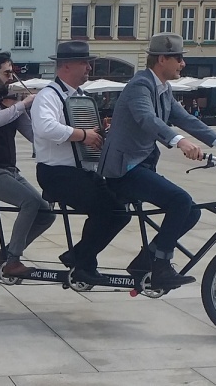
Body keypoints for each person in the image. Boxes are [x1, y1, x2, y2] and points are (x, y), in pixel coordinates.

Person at [99, 33, 216, 289]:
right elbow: (147, 119)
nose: (183, 64)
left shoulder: (163, 89)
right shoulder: (139, 86)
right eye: (178, 58)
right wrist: (180, 142)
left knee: (191, 212)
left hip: (140, 166)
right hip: (123, 170)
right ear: (162, 58)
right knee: (180, 201)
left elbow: (186, 119)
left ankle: (145, 259)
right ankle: (161, 266)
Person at [31, 41, 130, 285]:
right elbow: (45, 128)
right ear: (66, 66)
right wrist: (85, 134)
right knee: (109, 209)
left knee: (120, 211)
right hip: (56, 172)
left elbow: (82, 133)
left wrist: (98, 134)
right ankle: (82, 260)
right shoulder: (47, 96)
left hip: (81, 172)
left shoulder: (82, 97)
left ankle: (80, 257)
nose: (89, 67)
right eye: (84, 63)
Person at [0, 52, 54, 276]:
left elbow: (35, 135)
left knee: (47, 212)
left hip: (9, 170)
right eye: (7, 73)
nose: (11, 78)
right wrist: (22, 103)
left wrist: (42, 115)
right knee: (30, 203)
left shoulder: (9, 103)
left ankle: (6, 252)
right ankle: (13, 260)